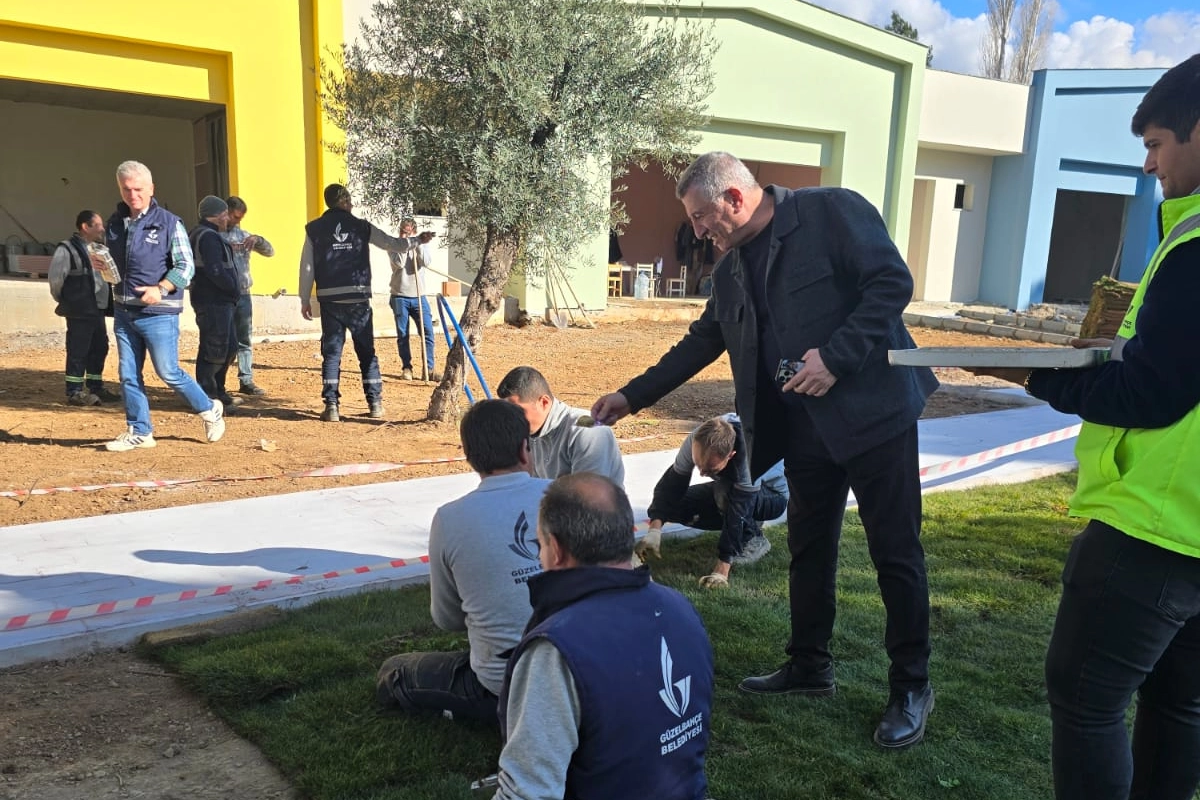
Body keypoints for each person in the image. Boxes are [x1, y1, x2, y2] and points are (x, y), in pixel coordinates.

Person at [591, 151, 939, 749]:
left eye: (701, 216)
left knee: (895, 553)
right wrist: (632, 395)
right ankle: (809, 665)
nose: (697, 230)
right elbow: (700, 342)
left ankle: (912, 686)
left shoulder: (831, 212)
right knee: (809, 549)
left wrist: (836, 357)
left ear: (734, 197)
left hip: (875, 417)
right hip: (803, 429)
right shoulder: (730, 270)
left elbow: (891, 284)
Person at [972, 54, 1200, 800]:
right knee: (1180, 707)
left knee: (1086, 700)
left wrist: (1032, 375)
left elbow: (1150, 392)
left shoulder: (1194, 247)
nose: (1149, 164)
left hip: (1153, 525)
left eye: (1157, 143)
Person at [493, 472, 713, 800]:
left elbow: (528, 793)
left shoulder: (558, 650)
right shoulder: (680, 609)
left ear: (556, 549)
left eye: (540, 545)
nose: (539, 556)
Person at [376, 400, 551, 724]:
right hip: (582, 669)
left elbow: (448, 618)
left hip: (504, 686)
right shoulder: (566, 495)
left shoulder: (450, 519)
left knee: (395, 670)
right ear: (524, 449)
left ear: (469, 456)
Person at [102, 160, 225, 452]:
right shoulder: (115, 224)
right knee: (128, 374)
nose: (133, 195)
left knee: (168, 371)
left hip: (158, 314)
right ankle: (140, 431)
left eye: (138, 189)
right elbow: (116, 266)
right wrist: (103, 267)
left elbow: (186, 267)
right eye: (126, 189)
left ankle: (209, 409)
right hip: (124, 311)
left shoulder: (169, 223)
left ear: (151, 189)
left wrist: (161, 288)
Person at [298, 183, 435, 422]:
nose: (352, 204)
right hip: (358, 298)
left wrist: (304, 298)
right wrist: (417, 241)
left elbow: (306, 267)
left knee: (332, 353)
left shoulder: (314, 229)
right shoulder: (361, 226)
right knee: (366, 351)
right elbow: (391, 243)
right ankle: (375, 404)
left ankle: (331, 407)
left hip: (330, 300)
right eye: (349, 200)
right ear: (343, 201)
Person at [639, 413, 788, 589]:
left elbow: (739, 511)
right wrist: (654, 530)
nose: (702, 473)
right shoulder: (696, 438)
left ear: (730, 455)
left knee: (725, 493)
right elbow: (670, 486)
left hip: (772, 495)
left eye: (710, 469)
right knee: (677, 506)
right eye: (698, 465)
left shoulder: (747, 454)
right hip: (729, 487)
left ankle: (752, 538)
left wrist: (721, 570)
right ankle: (749, 525)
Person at [497, 366, 625, 485]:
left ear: (544, 402)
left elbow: (589, 495)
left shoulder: (587, 430)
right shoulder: (528, 433)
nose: (511, 419)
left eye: (517, 411)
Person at [48, 209, 120, 406]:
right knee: (78, 349)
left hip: (97, 309)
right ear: (85, 227)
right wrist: (67, 301)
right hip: (79, 310)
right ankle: (75, 391)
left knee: (99, 347)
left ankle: (96, 386)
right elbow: (56, 280)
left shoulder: (99, 249)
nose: (102, 229)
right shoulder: (67, 249)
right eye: (98, 225)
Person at [188, 196, 242, 409]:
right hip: (213, 301)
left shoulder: (203, 234)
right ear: (216, 215)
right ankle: (207, 395)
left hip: (217, 301)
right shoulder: (208, 237)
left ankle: (218, 390)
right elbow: (215, 270)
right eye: (225, 214)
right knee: (215, 348)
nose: (228, 218)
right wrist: (232, 288)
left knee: (228, 347)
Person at [222, 196, 274, 396]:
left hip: (243, 294)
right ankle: (217, 382)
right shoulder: (214, 236)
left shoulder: (243, 236)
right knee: (224, 341)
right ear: (226, 212)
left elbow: (270, 251)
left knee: (244, 340)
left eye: (240, 218)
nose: (237, 221)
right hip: (222, 296)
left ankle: (246, 380)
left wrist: (257, 239)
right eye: (235, 217)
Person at [388, 216, 438, 382]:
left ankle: (428, 369)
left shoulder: (421, 245)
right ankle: (407, 368)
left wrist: (419, 244)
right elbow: (399, 263)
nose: (405, 234)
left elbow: (426, 262)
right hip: (400, 296)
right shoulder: (393, 245)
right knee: (403, 334)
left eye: (409, 232)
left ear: (415, 232)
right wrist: (405, 243)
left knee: (428, 332)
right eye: (403, 232)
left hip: (419, 296)